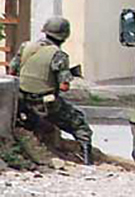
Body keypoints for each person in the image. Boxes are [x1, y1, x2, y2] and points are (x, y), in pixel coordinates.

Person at [10, 16, 94, 165]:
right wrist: (68, 76)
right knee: (80, 124)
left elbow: (12, 71)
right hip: (45, 102)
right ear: (64, 36)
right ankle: (87, 159)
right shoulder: (58, 55)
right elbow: (64, 87)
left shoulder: (26, 47)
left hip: (22, 100)